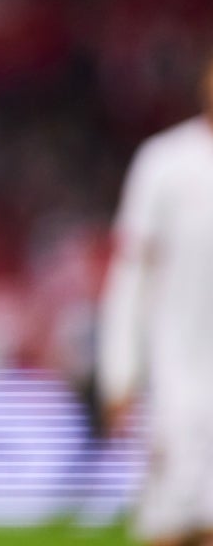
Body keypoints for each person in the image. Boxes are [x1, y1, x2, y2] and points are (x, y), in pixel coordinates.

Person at [97, 46, 213, 546]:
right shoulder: (164, 162)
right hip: (178, 385)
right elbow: (130, 278)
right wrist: (119, 374)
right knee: (168, 526)